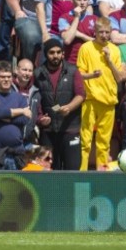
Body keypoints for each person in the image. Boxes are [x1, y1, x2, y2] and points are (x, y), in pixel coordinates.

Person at [77, 17, 124, 171]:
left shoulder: (115, 50)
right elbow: (78, 75)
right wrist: (92, 76)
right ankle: (82, 172)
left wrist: (109, 60)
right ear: (95, 32)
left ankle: (101, 174)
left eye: (107, 32)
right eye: (101, 32)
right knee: (85, 140)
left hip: (109, 100)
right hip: (90, 99)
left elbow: (119, 77)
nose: (104, 35)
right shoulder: (86, 48)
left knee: (104, 142)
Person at [34, 39, 85, 170]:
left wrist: (69, 107)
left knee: (73, 171)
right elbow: (35, 100)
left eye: (58, 52)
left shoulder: (73, 71)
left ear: (63, 53)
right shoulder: (38, 73)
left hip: (70, 129)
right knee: (49, 173)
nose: (55, 55)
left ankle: (75, 192)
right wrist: (40, 119)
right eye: (51, 52)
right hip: (48, 131)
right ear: (46, 54)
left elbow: (81, 95)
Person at [0, 61, 31, 170]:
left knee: (15, 187)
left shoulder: (21, 98)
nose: (6, 79)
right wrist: (20, 111)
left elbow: (24, 120)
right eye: (2, 77)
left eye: (9, 77)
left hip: (16, 155)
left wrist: (3, 117)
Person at [59, 0, 98, 64]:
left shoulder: (95, 19)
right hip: (71, 62)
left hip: (90, 61)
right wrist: (77, 17)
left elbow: (99, 42)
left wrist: (80, 35)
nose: (82, 2)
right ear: (72, 0)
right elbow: (67, 40)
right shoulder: (64, 18)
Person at [11, 59, 40, 147]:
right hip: (7, 141)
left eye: (30, 71)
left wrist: (43, 119)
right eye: (24, 70)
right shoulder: (7, 88)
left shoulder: (36, 92)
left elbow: (38, 114)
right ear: (16, 70)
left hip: (27, 142)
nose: (27, 73)